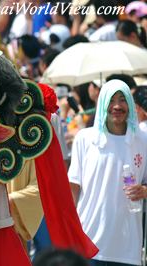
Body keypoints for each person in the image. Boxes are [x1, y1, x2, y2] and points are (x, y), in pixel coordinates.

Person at [69, 79, 147, 265]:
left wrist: (144, 191)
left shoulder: (143, 140)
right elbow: (73, 187)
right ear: (102, 103)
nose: (117, 106)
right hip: (89, 242)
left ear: (130, 104)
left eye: (122, 100)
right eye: (111, 100)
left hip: (128, 247)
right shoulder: (85, 139)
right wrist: (70, 231)